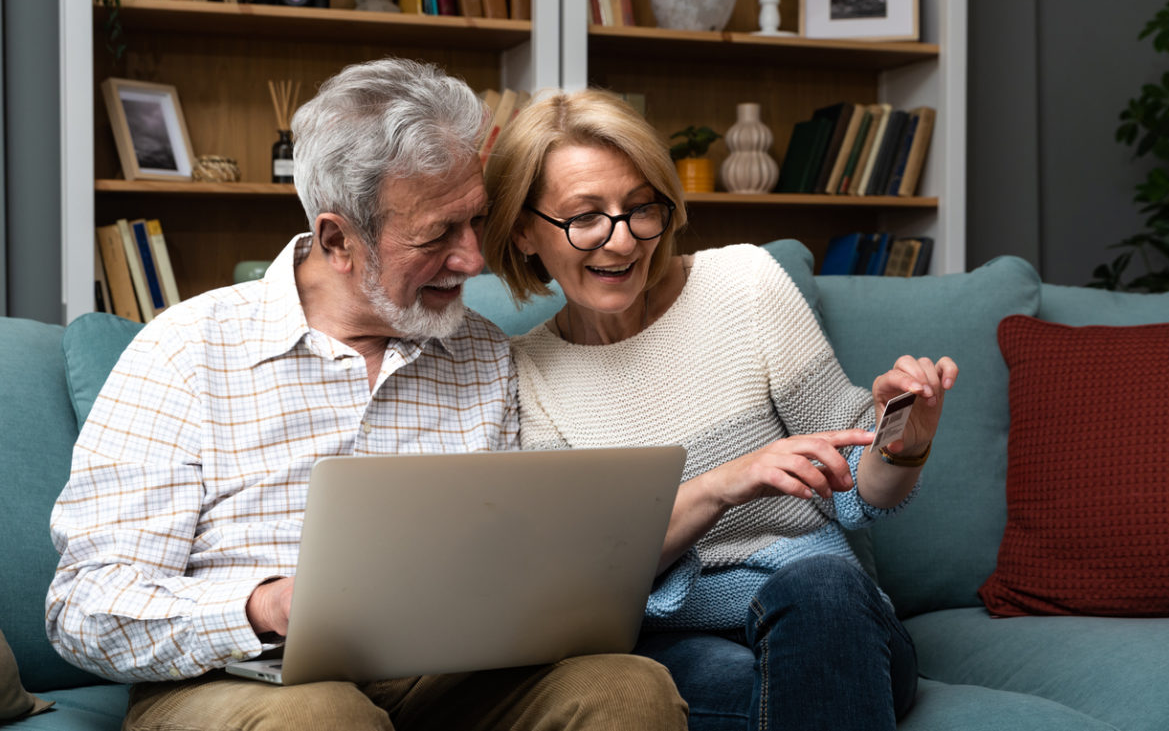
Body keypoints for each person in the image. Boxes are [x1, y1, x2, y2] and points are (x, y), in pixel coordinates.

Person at [46, 60, 687, 731]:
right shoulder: (185, 350)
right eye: (439, 234)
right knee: (322, 715)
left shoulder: (485, 353)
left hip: (443, 674)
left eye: (476, 221)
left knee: (625, 687)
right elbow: (83, 607)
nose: (472, 258)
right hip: (241, 677)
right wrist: (264, 605)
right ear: (337, 240)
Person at [481, 89, 959, 731]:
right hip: (674, 646)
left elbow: (859, 492)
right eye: (585, 217)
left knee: (821, 588)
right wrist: (721, 486)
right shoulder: (523, 375)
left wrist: (904, 440)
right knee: (666, 688)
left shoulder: (747, 284)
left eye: (640, 208)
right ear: (522, 229)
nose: (621, 242)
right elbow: (583, 577)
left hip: (831, 615)